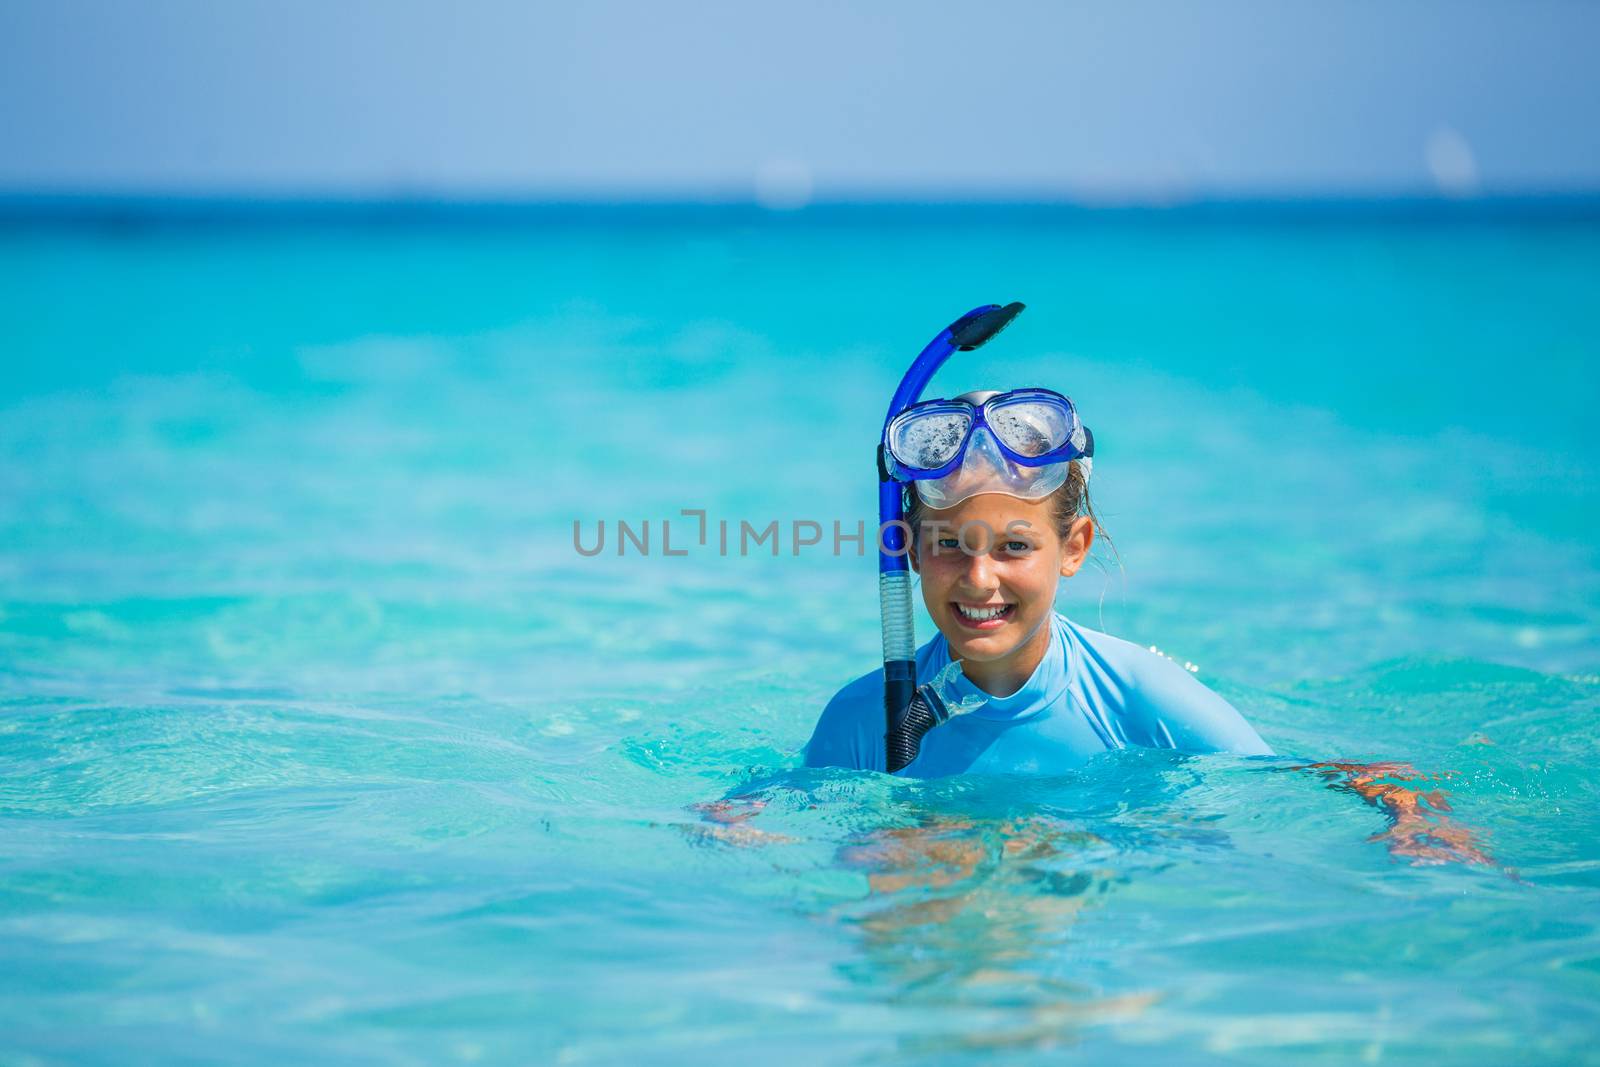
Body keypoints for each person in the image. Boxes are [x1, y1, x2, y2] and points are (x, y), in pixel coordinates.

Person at [803, 385, 1273, 776]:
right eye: (948, 544)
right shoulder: (864, 720)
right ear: (911, 551)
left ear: (1073, 548)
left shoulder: (1139, 697)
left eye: (1014, 546)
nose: (980, 578)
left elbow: (1282, 790)